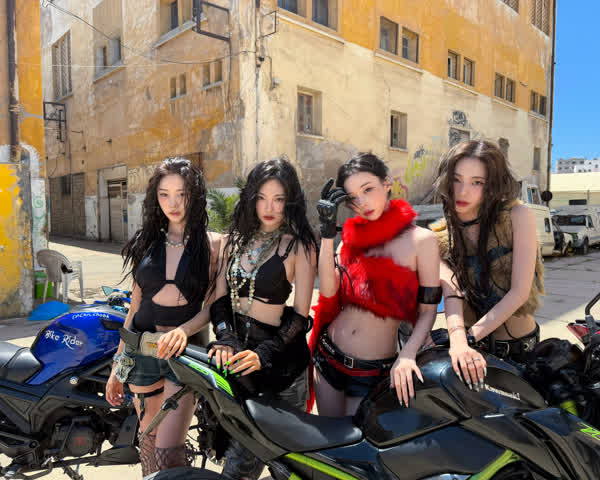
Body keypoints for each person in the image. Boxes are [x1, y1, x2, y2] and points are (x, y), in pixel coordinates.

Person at [105, 157, 221, 476]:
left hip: (183, 354)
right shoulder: (147, 242)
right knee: (148, 442)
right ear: (155, 198)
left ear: (194, 195)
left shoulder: (213, 245)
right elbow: (133, 310)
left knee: (169, 451)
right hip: (141, 350)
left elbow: (214, 306)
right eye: (164, 194)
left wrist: (183, 330)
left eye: (182, 194)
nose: (173, 203)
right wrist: (117, 368)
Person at [207, 157, 317, 480]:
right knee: (238, 467)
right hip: (240, 365)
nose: (269, 208)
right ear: (251, 198)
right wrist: (226, 338)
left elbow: (300, 317)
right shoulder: (232, 241)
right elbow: (219, 300)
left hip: (282, 370)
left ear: (290, 202)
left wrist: (263, 354)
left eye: (279, 199)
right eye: (262, 198)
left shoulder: (300, 247)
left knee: (289, 469)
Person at [311, 152, 441, 417]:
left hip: (371, 371)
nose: (362, 202)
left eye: (368, 189)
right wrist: (327, 234)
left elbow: (428, 312)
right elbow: (327, 291)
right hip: (328, 358)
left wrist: (408, 355)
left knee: (358, 442)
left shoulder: (422, 241)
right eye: (352, 197)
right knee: (326, 440)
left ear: (387, 183)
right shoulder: (351, 236)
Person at [431, 140, 544, 389]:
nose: (463, 191)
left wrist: (467, 338)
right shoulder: (440, 236)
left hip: (519, 349)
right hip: (471, 353)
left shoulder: (517, 217)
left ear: (492, 184)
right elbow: (452, 291)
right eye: (457, 179)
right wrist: (459, 341)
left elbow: (519, 292)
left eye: (477, 182)